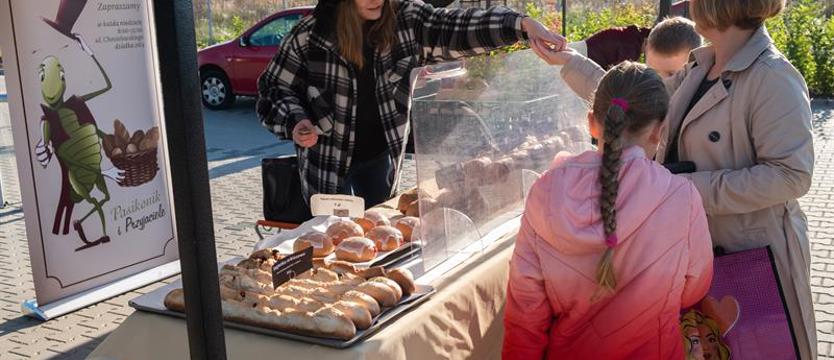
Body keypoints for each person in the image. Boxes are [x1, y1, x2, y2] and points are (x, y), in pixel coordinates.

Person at [536, 0, 817, 357]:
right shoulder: (702, 66)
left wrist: (682, 189)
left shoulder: (773, 77)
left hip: (752, 264)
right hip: (702, 259)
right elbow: (632, 99)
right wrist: (570, 62)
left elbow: (791, 176)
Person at [256, 0, 564, 208]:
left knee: (379, 240)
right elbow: (273, 89)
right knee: (335, 249)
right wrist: (295, 121)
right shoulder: (308, 37)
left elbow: (455, 27)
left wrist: (520, 25)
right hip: (326, 165)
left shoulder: (407, 22)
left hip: (381, 162)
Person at [502, 62, 714, 359]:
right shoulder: (682, 197)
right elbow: (694, 288)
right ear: (659, 131)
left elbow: (525, 309)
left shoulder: (545, 192)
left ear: (591, 122)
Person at [576, 16, 701, 77]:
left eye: (670, 74)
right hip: (588, 58)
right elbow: (622, 77)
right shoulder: (631, 47)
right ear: (646, 42)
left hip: (585, 54)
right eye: (654, 72)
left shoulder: (630, 35)